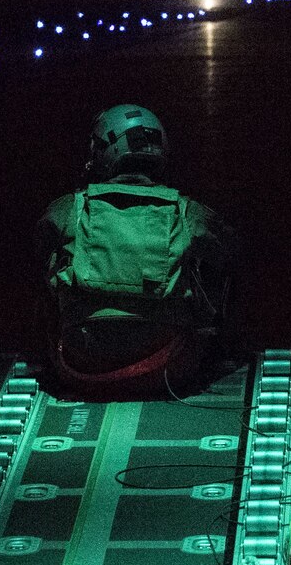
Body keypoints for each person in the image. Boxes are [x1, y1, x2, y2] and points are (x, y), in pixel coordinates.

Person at [34, 105, 236, 402]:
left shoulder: (68, 209)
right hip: (169, 367)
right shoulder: (187, 212)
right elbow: (232, 253)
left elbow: (35, 255)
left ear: (100, 151)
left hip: (81, 367)